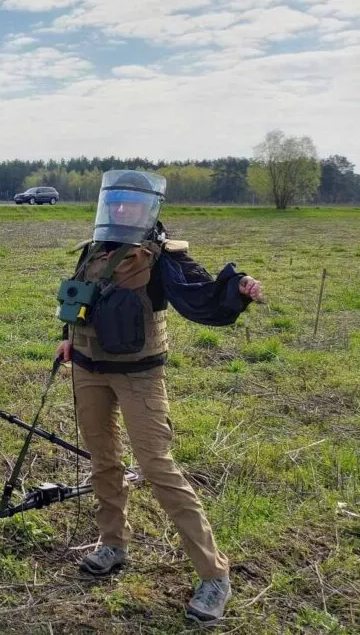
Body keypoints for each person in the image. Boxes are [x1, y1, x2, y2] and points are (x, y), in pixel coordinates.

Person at [54, 169, 263, 625]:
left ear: (147, 208)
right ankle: (113, 544)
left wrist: (239, 287)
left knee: (156, 467)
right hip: (88, 371)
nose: (122, 210)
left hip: (139, 376)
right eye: (116, 203)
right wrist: (67, 337)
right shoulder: (94, 250)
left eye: (131, 203)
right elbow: (80, 300)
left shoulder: (161, 257)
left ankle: (214, 575)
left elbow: (202, 294)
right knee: (102, 461)